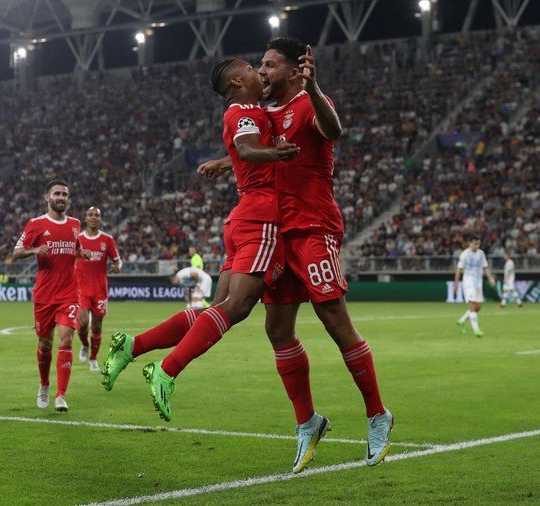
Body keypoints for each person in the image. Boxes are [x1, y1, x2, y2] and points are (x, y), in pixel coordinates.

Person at [101, 58, 311, 471]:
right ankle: (167, 369)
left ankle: (134, 345)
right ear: (237, 80)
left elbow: (242, 148)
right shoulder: (246, 110)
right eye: (252, 67)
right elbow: (250, 147)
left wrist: (224, 159)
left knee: (215, 309)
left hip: (241, 218)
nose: (258, 72)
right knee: (237, 308)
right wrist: (279, 154)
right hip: (263, 217)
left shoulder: (243, 112)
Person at [200, 39, 393, 467]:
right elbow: (256, 149)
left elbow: (334, 130)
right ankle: (308, 421)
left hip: (312, 226)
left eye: (269, 64)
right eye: (260, 64)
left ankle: (378, 414)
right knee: (278, 330)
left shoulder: (310, 103)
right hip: (277, 233)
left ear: (292, 71)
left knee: (334, 320)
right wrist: (224, 160)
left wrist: (316, 88)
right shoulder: (262, 112)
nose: (262, 71)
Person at [13, 180, 91, 412]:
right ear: (47, 197)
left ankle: (61, 395)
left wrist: (81, 253)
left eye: (64, 194)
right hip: (44, 295)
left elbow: (73, 247)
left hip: (69, 294)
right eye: (57, 193)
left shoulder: (76, 224)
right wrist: (34, 250)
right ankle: (44, 385)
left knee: (66, 339)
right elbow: (16, 253)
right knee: (45, 345)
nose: (61, 197)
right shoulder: (35, 225)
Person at [75, 206, 122, 372]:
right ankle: (85, 345)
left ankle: (93, 359)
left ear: (100, 219)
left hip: (100, 290)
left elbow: (118, 261)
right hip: (81, 290)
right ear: (85, 218)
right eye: (90, 215)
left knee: (96, 327)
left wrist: (117, 267)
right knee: (81, 325)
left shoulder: (107, 239)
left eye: (97, 215)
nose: (93, 217)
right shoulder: (77, 238)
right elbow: (68, 257)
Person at [454, 235, 496, 337]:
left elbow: (485, 267)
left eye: (478, 243)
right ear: (470, 243)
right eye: (475, 243)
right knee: (472, 305)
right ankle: (476, 330)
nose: (477, 245)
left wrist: (490, 278)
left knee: (478, 307)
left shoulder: (481, 253)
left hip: (478, 282)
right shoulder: (464, 255)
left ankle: (462, 321)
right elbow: (459, 270)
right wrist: (456, 284)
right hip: (468, 282)